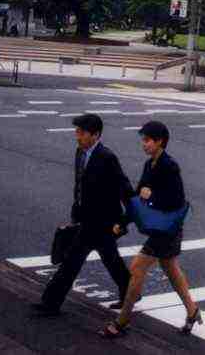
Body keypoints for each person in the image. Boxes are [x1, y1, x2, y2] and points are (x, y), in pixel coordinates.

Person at [101, 121, 200, 339]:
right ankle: (192, 311)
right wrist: (124, 220)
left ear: (160, 142)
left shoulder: (169, 166)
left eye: (147, 140)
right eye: (143, 140)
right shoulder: (150, 165)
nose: (144, 144)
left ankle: (122, 322)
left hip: (168, 229)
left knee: (137, 268)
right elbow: (137, 197)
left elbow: (176, 200)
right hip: (160, 228)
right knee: (171, 270)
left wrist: (152, 198)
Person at [31, 114, 133, 317]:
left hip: (103, 221)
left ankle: (51, 303)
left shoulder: (106, 157)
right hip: (86, 218)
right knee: (110, 258)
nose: (77, 136)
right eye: (76, 132)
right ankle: (130, 292)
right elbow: (79, 185)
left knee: (71, 261)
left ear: (95, 135)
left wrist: (124, 220)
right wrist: (75, 212)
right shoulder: (80, 152)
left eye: (82, 133)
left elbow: (125, 189)